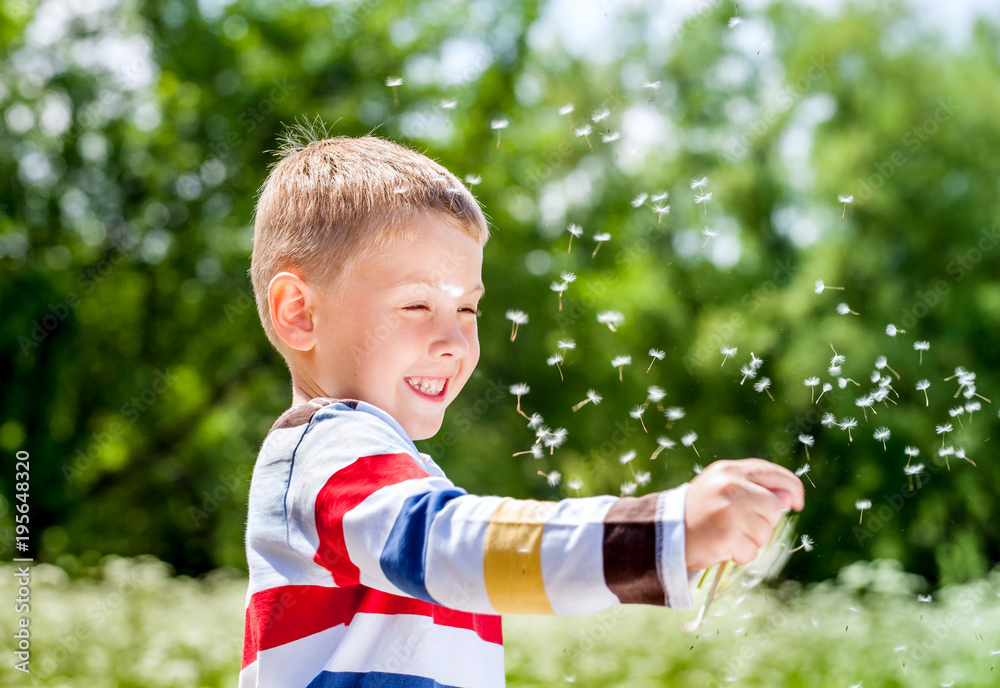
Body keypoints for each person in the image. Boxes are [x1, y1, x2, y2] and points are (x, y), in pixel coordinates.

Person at [240, 129, 804, 688]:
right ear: (299, 313)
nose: (455, 342)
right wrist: (666, 532)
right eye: (416, 303)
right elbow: (451, 546)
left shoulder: (373, 465)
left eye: (467, 309)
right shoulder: (326, 451)